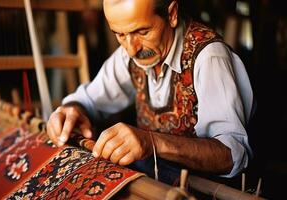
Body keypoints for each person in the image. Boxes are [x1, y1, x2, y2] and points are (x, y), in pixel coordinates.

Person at [46, 0, 253, 184]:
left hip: (202, 192)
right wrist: (71, 109)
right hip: (154, 185)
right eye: (120, 34)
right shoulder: (129, 55)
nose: (131, 49)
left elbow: (233, 154)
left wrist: (150, 141)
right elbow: (89, 99)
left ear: (171, 14)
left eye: (142, 32)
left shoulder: (209, 58)